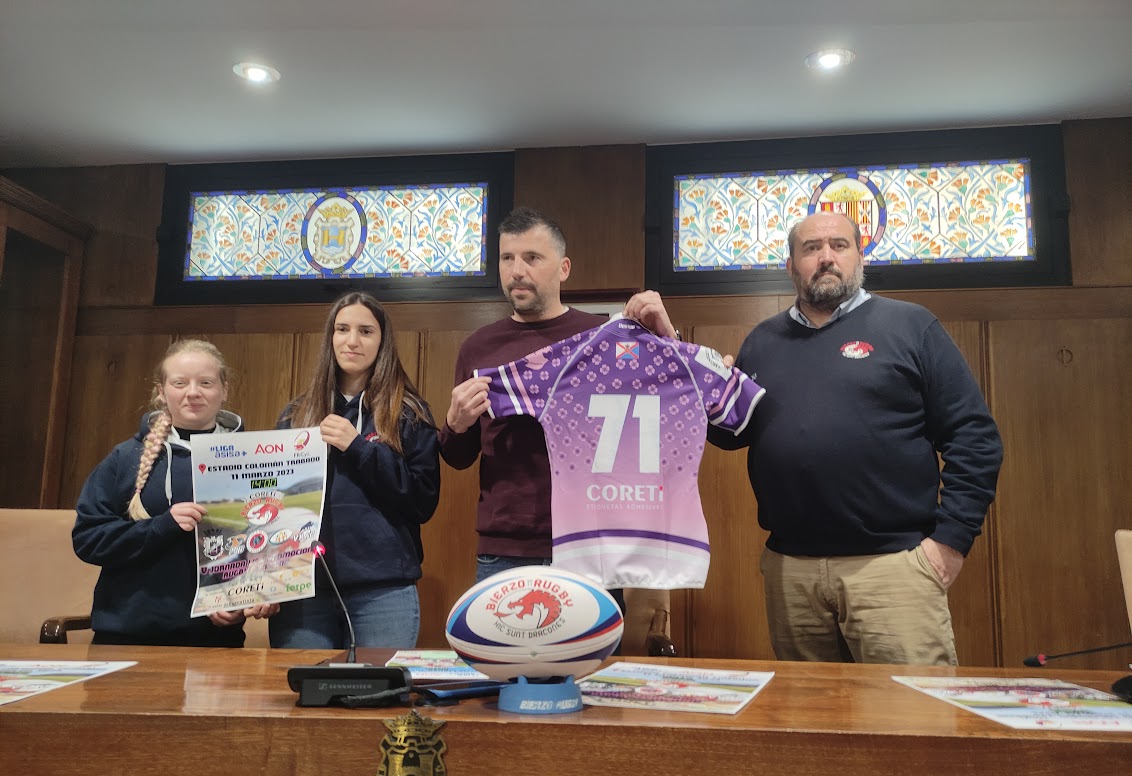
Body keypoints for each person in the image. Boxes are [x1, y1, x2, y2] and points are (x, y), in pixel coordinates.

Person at [709, 211, 1003, 665]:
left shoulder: (911, 326)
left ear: (860, 257)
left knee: (913, 724)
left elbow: (974, 436)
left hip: (893, 568)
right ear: (791, 264)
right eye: (811, 248)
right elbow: (733, 435)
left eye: (839, 245)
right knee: (811, 727)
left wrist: (949, 542)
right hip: (792, 573)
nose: (826, 257)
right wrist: (710, 393)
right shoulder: (762, 342)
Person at [440, 207, 678, 584]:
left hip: (591, 540)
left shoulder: (605, 337)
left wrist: (667, 338)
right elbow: (457, 457)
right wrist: (454, 424)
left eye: (532, 258)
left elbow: (670, 405)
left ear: (564, 268)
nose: (517, 270)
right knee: (503, 645)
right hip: (505, 547)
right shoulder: (477, 347)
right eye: (507, 258)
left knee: (593, 647)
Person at [73, 339, 277, 646]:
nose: (193, 392)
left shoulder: (255, 460)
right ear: (161, 391)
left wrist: (243, 603)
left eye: (205, 382)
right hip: (124, 636)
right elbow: (88, 539)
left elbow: (265, 548)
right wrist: (161, 526)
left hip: (214, 642)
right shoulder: (126, 458)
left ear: (224, 390)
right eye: (180, 383)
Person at [270, 292, 440, 650]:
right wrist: (264, 579)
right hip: (304, 590)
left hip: (383, 589)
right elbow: (276, 507)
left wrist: (360, 448)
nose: (352, 341)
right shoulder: (296, 414)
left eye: (366, 331)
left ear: (382, 341)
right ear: (330, 338)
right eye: (342, 329)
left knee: (376, 701)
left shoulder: (409, 412)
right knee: (305, 701)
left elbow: (422, 501)